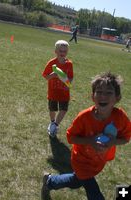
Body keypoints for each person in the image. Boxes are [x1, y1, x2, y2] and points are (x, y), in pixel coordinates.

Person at [41, 72, 131, 200]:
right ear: (92, 97)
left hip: (98, 162)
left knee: (76, 181)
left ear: (117, 98)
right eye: (99, 92)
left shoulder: (120, 118)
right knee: (92, 190)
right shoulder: (84, 117)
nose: (103, 96)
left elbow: (126, 138)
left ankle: (49, 181)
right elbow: (70, 137)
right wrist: (91, 141)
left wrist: (112, 142)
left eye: (109, 93)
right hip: (81, 161)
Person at [42, 40, 73, 137]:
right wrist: (53, 75)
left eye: (65, 51)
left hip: (64, 92)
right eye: (60, 51)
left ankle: (55, 125)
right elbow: (46, 76)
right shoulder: (52, 63)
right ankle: (52, 122)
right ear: (56, 51)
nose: (63, 53)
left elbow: (70, 77)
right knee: (52, 109)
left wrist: (68, 84)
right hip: (53, 91)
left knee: (64, 109)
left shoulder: (69, 64)